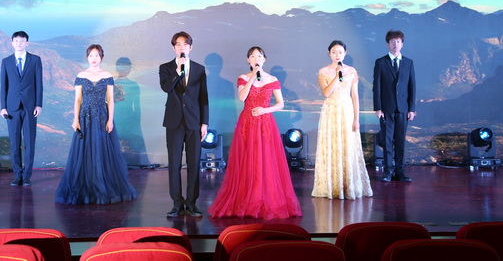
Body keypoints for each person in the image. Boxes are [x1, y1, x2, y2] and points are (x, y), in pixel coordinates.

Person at [208, 46, 302, 219]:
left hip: (265, 123)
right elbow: (242, 97)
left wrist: (265, 110)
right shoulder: (243, 78)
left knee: (265, 160)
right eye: (252, 56)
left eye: (259, 56)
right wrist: (252, 76)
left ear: (264, 59)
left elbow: (280, 103)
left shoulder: (272, 79)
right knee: (247, 159)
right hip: (247, 123)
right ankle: (246, 198)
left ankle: (264, 198)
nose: (256, 59)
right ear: (248, 60)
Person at [55, 44, 136, 205]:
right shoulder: (81, 75)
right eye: (91, 55)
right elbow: (78, 99)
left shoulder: (107, 76)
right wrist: (76, 119)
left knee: (102, 151)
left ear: (101, 57)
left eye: (97, 55)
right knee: (84, 152)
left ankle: (102, 185)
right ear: (87, 57)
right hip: (85, 117)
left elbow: (110, 99)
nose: (94, 58)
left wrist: (110, 120)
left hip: (101, 117)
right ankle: (85, 187)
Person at [312, 40, 373, 199]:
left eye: (340, 52)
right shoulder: (323, 71)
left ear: (345, 53)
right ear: (329, 54)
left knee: (348, 146)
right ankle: (332, 186)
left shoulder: (352, 71)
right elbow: (326, 93)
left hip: (346, 112)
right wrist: (337, 75)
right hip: (330, 112)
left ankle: (348, 185)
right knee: (332, 146)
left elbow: (355, 96)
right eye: (334, 52)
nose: (337, 55)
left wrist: (356, 119)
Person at [159, 31, 209, 217]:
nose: (182, 47)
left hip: (194, 121)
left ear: (191, 47)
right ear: (174, 48)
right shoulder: (166, 68)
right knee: (174, 164)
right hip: (174, 122)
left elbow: (203, 97)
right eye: (178, 44)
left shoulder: (199, 69)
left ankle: (192, 203)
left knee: (194, 163)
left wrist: (204, 123)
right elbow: (166, 88)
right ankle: (177, 203)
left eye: (185, 44)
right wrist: (178, 71)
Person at [0, 31, 43, 187]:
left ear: (27, 43)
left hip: (30, 107)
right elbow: (3, 86)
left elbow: (39, 83)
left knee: (30, 142)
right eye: (16, 41)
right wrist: (3, 107)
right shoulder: (6, 61)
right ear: (12, 43)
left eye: (22, 41)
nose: (19, 43)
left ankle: (26, 176)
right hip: (12, 108)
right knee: (14, 143)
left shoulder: (35, 60)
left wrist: (38, 104)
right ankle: (17, 175)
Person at [373, 30, 416, 182]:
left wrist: (411, 109)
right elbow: (376, 87)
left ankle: (400, 171)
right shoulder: (380, 62)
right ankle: (388, 171)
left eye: (398, 42)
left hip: (403, 109)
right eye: (392, 42)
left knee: (400, 141)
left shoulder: (408, 63)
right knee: (387, 141)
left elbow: (412, 87)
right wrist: (378, 108)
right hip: (386, 109)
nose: (395, 44)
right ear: (387, 44)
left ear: (402, 44)